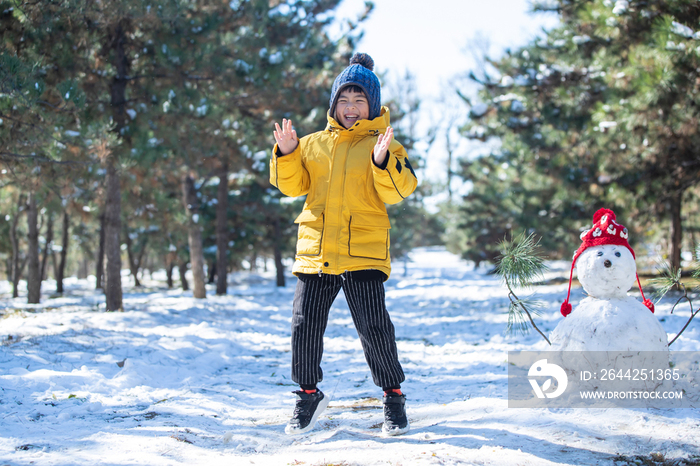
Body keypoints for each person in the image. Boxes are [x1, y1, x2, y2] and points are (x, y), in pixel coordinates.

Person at [269, 53, 418, 436]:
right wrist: (287, 153)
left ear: (372, 104)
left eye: (359, 101)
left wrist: (382, 160)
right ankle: (307, 395)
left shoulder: (384, 144)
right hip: (316, 250)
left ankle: (393, 396)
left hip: (363, 252)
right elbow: (292, 187)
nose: (351, 108)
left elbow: (401, 190)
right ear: (334, 104)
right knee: (304, 325)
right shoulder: (313, 144)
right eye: (344, 101)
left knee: (374, 327)